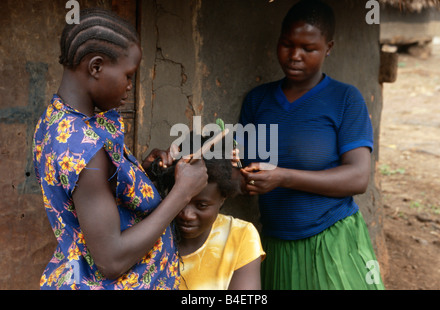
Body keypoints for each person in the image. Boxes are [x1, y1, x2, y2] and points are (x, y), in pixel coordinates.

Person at [33, 8, 208, 290]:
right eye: (128, 75)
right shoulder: (84, 147)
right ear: (96, 67)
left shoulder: (57, 119)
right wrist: (181, 194)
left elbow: (90, 193)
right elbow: (111, 261)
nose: (129, 86)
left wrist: (137, 172)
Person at [238, 0, 385, 290]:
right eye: (287, 44)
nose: (295, 56)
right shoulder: (259, 101)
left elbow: (358, 177)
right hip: (277, 244)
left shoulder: (345, 100)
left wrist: (283, 177)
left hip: (332, 241)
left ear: (328, 47)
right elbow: (243, 167)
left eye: (308, 49)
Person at [148, 132, 265, 290]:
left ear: (223, 197)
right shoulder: (149, 236)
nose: (187, 215)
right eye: (181, 200)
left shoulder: (240, 237)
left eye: (201, 205)